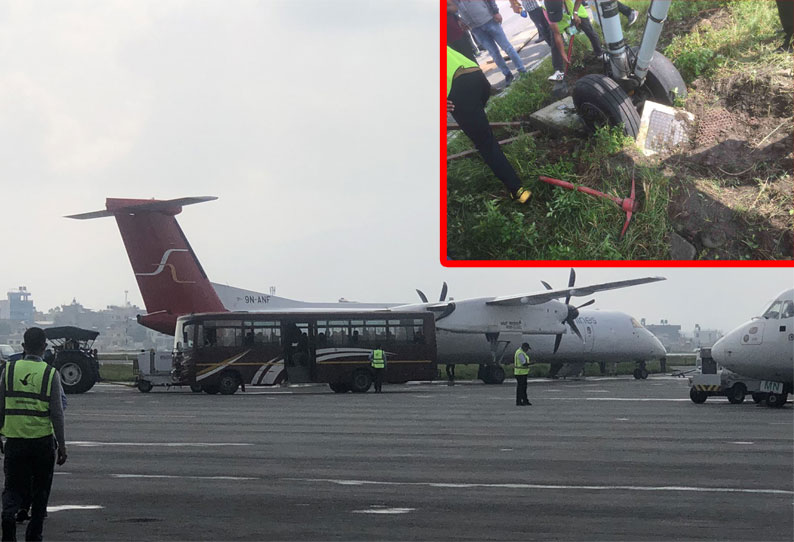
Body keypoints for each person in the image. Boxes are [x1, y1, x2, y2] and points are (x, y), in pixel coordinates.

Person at [0, 327, 67, 541]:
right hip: (42, 443)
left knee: (12, 486)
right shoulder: (50, 373)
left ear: (22, 347)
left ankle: (8, 515)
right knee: (40, 491)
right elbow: (57, 413)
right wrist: (63, 446)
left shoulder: (8, 370)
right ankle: (33, 535)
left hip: (14, 440)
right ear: (44, 348)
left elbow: (0, 406)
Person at [447, 46, 531, 203]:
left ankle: (517, 190)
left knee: (485, 144)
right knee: (479, 128)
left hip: (457, 89)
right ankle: (480, 130)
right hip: (475, 75)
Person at [455, 0, 527, 86]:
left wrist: (495, 12)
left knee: (507, 47)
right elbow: (455, 9)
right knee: (494, 53)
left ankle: (522, 70)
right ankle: (508, 75)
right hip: (475, 28)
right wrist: (460, 20)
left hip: (489, 20)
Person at [545, 0, 605, 82]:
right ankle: (558, 72)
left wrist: (575, 13)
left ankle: (600, 54)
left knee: (590, 32)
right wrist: (563, 54)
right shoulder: (544, 8)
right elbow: (556, 34)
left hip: (576, 11)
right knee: (555, 44)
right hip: (559, 21)